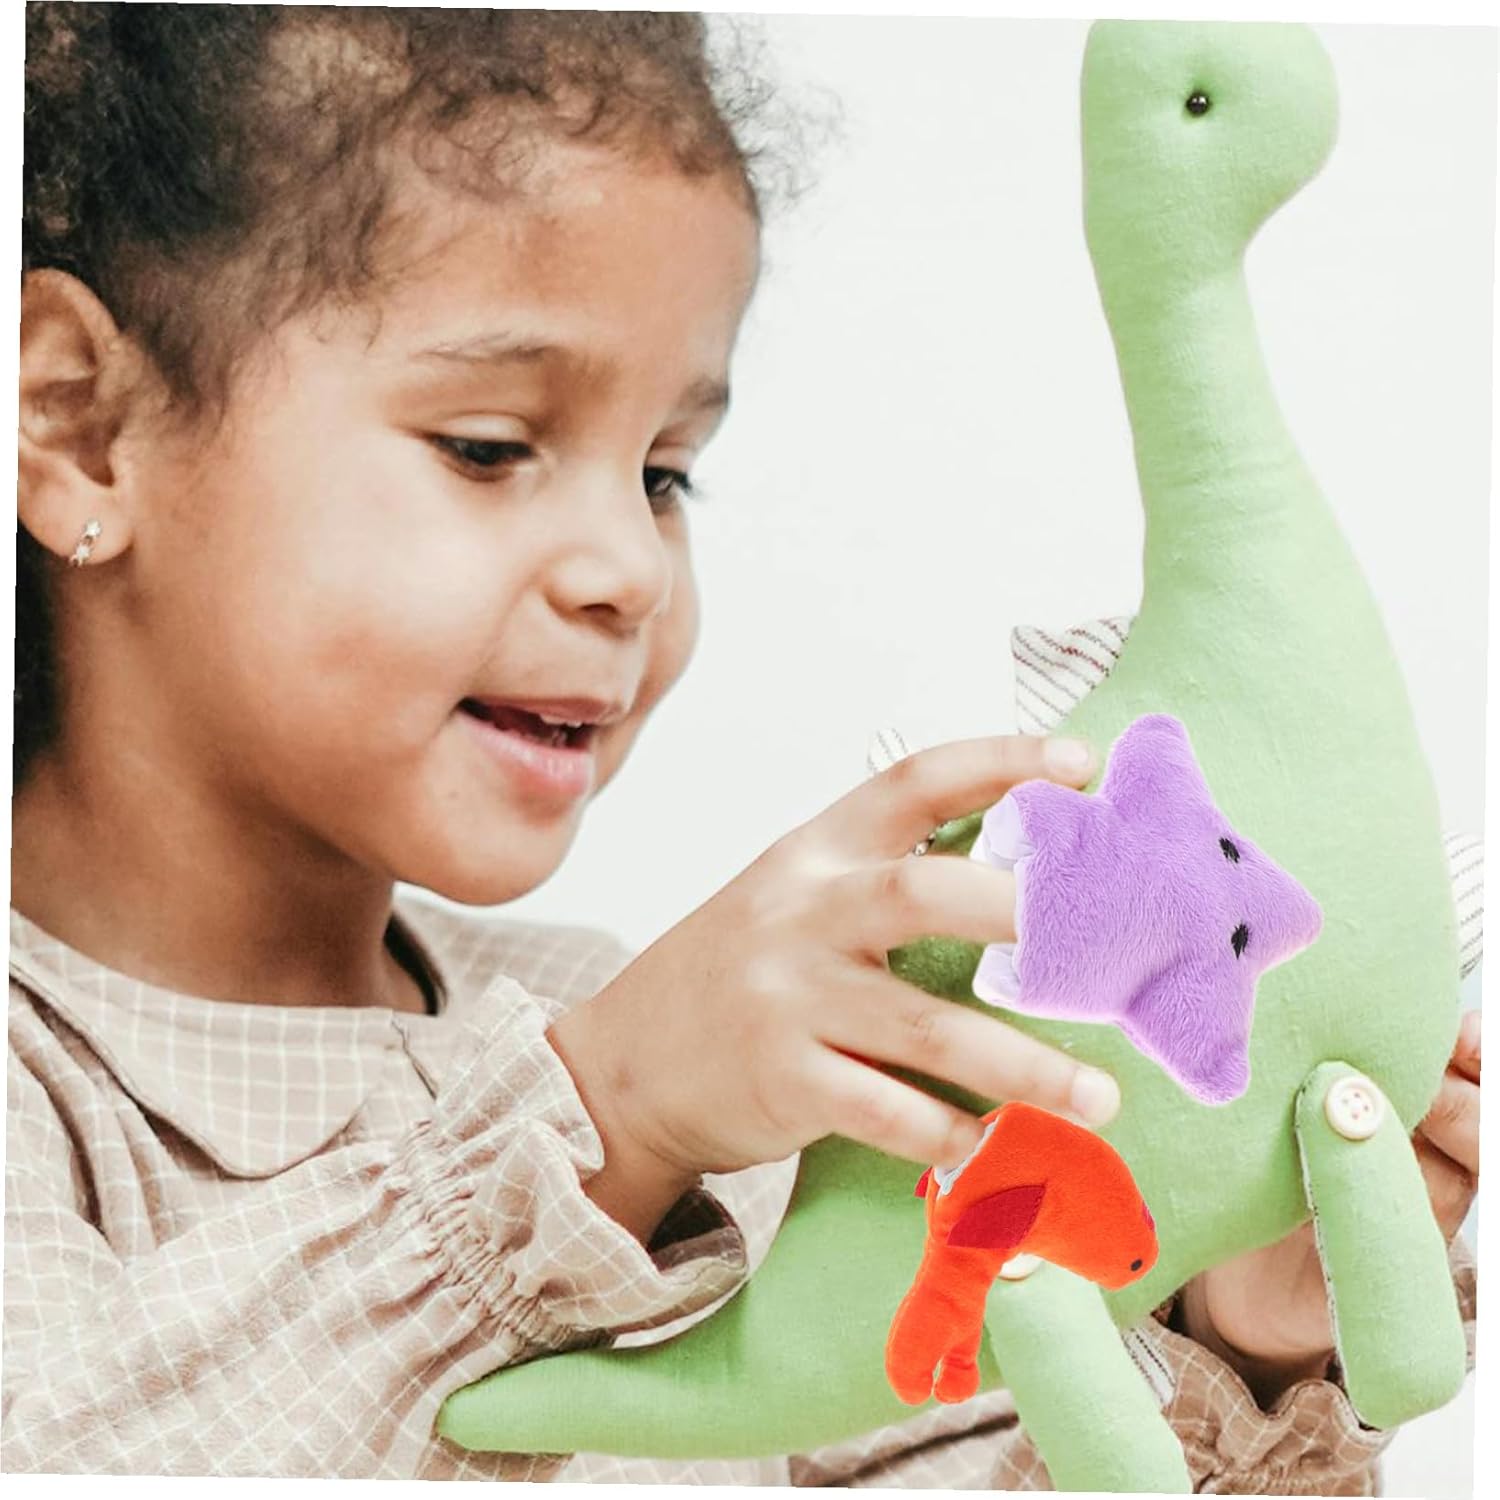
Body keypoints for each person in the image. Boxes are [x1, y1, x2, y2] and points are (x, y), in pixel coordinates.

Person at [7, 4, 1477, 1487]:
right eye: (489, 448)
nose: (628, 570)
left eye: (665, 475)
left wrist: (1233, 1331)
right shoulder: (600, 1077)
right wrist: (606, 1115)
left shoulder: (619, 1018)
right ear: (80, 425)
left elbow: (901, 1424)